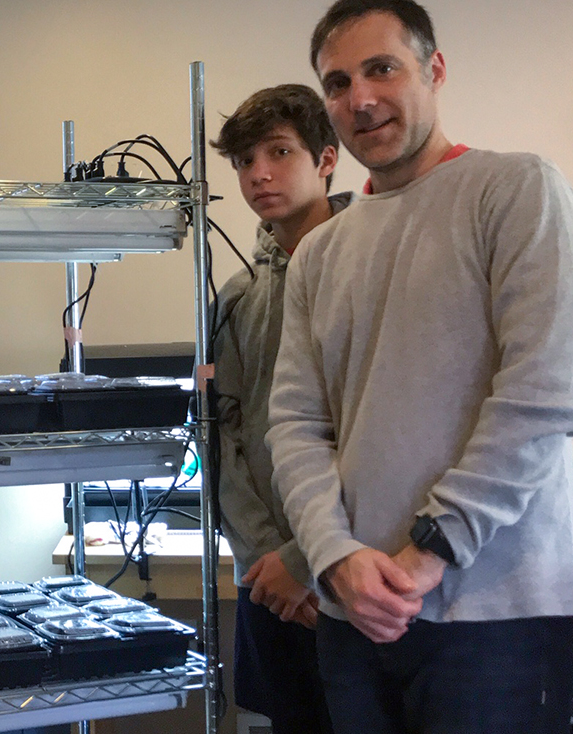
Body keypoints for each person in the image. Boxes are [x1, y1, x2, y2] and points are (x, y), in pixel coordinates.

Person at [266, 1, 573, 731]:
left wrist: (431, 552)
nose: (360, 98)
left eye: (381, 68)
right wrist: (334, 558)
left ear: (435, 69)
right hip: (353, 614)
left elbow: (545, 394)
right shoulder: (320, 251)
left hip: (497, 620)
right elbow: (295, 422)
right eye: (337, 81)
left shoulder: (516, 191)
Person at [210, 84, 346, 734]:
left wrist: (308, 559)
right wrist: (269, 559)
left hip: (354, 571)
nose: (259, 173)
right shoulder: (238, 296)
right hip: (265, 579)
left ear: (325, 158)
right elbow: (220, 432)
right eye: (243, 160)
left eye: (279, 152)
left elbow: (382, 431)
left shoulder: (370, 267)